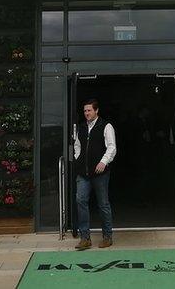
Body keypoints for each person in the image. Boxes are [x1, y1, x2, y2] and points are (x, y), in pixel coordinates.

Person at [73, 98, 116, 250]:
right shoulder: (81, 127)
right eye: (85, 111)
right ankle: (85, 238)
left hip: (100, 173)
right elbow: (77, 145)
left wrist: (103, 162)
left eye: (89, 110)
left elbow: (111, 147)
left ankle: (107, 236)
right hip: (83, 173)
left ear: (96, 111)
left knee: (103, 204)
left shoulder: (106, 126)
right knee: (80, 201)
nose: (87, 113)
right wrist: (78, 159)